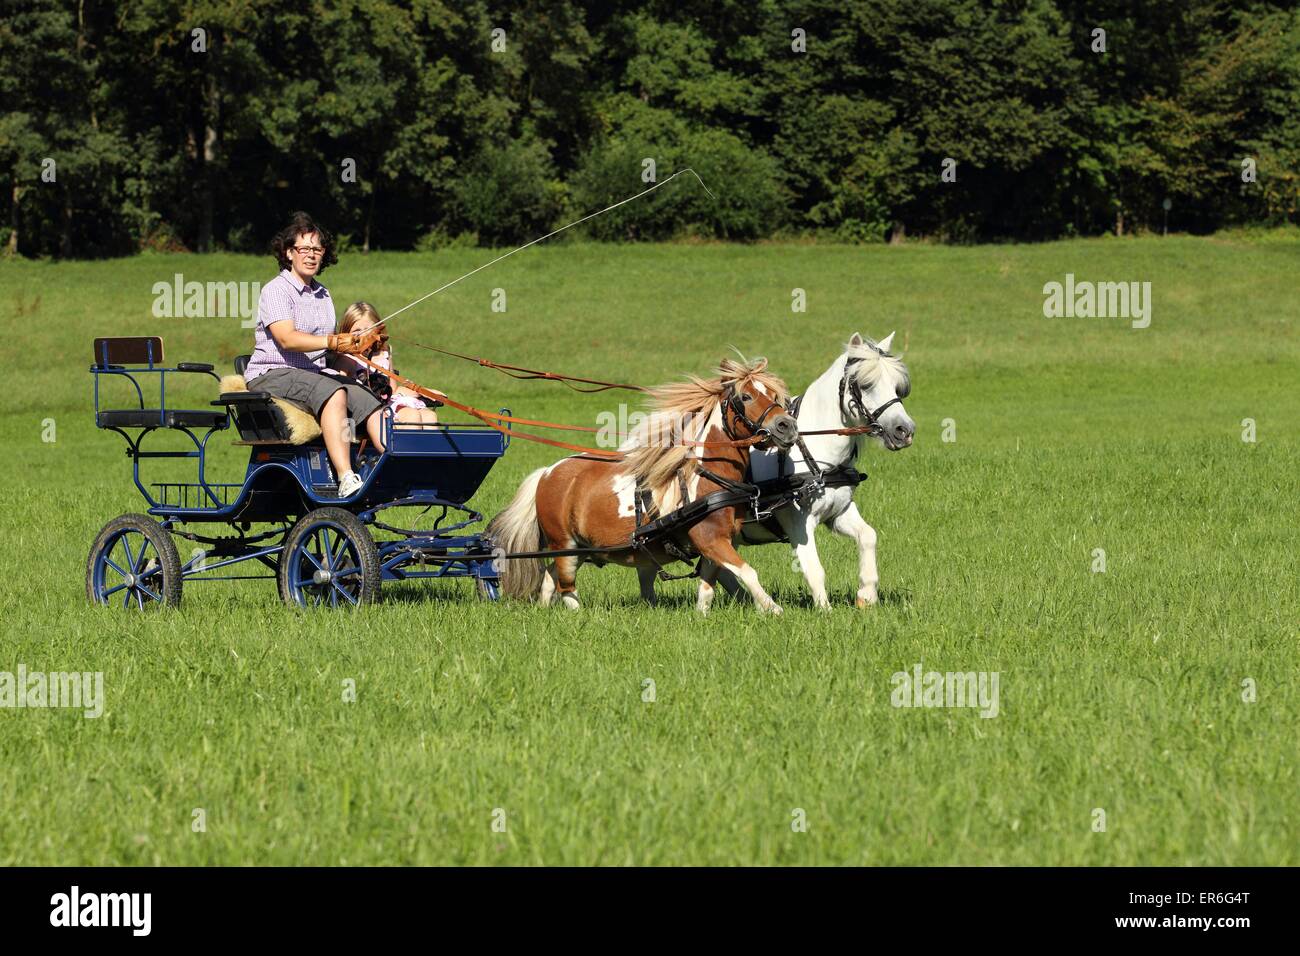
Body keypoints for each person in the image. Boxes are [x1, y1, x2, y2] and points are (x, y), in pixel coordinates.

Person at [242, 211, 383, 498]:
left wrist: (355, 347)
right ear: (289, 252)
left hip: (312, 376)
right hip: (272, 374)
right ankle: (346, 477)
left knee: (366, 399)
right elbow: (287, 339)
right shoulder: (277, 291)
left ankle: (391, 464)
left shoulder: (323, 294)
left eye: (317, 249)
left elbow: (326, 350)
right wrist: (333, 341)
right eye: (304, 249)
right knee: (334, 394)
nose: (311, 255)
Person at [331, 302, 440, 427]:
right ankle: (405, 446)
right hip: (366, 411)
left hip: (387, 403)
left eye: (368, 329)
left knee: (430, 416)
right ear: (346, 333)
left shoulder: (384, 353)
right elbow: (341, 394)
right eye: (357, 331)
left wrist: (424, 392)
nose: (364, 334)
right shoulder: (347, 359)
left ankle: (428, 447)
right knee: (412, 416)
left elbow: (393, 390)